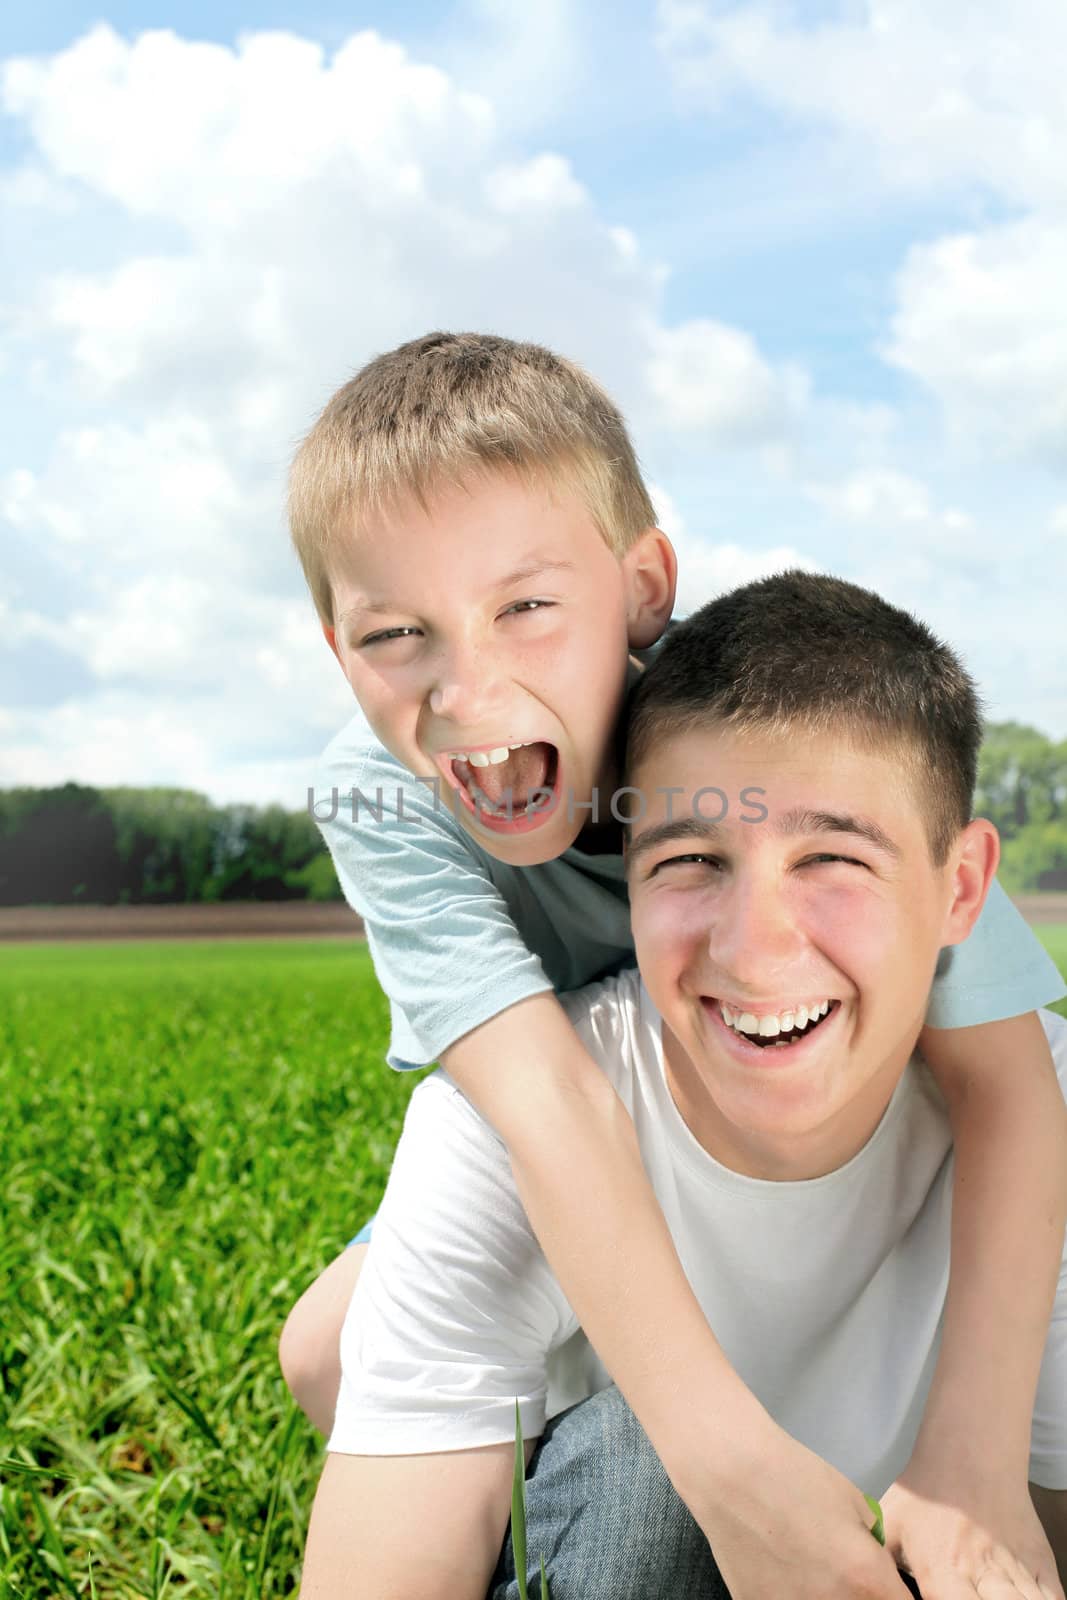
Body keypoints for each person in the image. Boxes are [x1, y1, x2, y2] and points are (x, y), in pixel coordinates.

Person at [283, 334, 1067, 1593]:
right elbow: (547, 1104)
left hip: (772, 1095)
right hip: (585, 1101)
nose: (466, 686)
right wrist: (724, 1467)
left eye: (525, 607)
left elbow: (1010, 1079)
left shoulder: (772, 729)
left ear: (642, 587)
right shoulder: (379, 796)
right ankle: (561, 1497)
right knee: (325, 1349)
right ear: (337, 647)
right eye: (395, 634)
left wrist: (971, 1464)